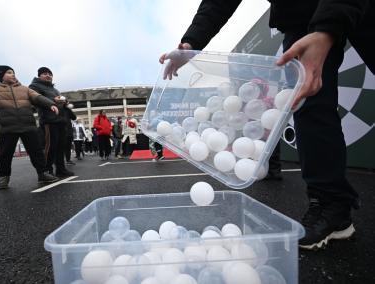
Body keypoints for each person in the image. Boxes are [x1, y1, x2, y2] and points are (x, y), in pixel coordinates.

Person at [159, 0, 374, 250]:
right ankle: (331, 205)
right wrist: (190, 44)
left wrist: (327, 29)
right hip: (301, 17)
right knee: (308, 105)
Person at [0, 65, 59, 189]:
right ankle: (3, 177)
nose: (12, 74)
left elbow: (38, 97)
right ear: (1, 76)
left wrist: (51, 104)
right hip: (8, 128)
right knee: (5, 154)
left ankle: (43, 174)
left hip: (28, 126)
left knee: (37, 152)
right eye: (9, 73)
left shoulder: (25, 89)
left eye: (13, 72)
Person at [29, 67, 74, 178]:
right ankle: (47, 170)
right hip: (49, 120)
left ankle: (60, 169)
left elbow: (61, 101)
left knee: (60, 146)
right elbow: (35, 100)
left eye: (50, 74)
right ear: (39, 75)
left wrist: (65, 102)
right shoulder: (34, 86)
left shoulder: (54, 89)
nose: (48, 76)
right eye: (45, 74)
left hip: (61, 120)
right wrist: (54, 101)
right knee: (50, 146)